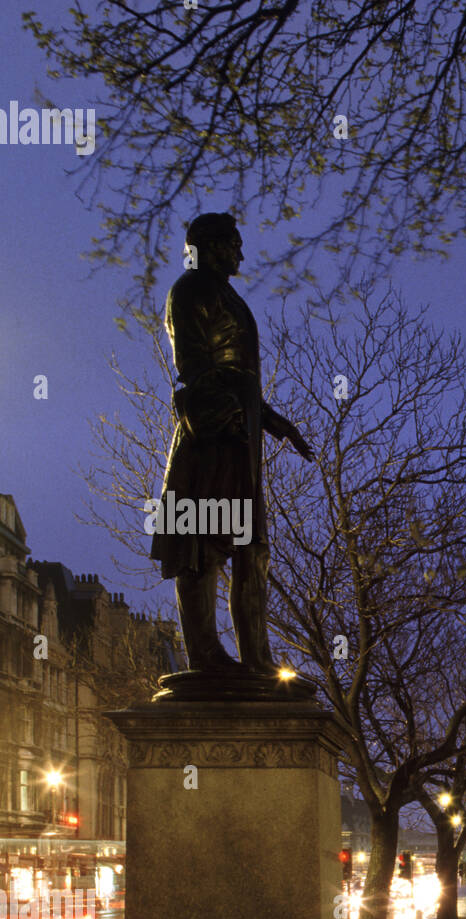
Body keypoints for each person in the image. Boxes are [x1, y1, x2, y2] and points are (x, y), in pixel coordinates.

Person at [152, 211, 313, 675]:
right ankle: (205, 656)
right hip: (212, 437)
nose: (241, 253)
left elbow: (242, 377)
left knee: (250, 547)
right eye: (233, 244)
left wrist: (274, 422)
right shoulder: (190, 290)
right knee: (202, 543)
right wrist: (235, 415)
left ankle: (257, 659)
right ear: (212, 244)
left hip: (239, 434)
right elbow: (194, 368)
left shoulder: (223, 293)